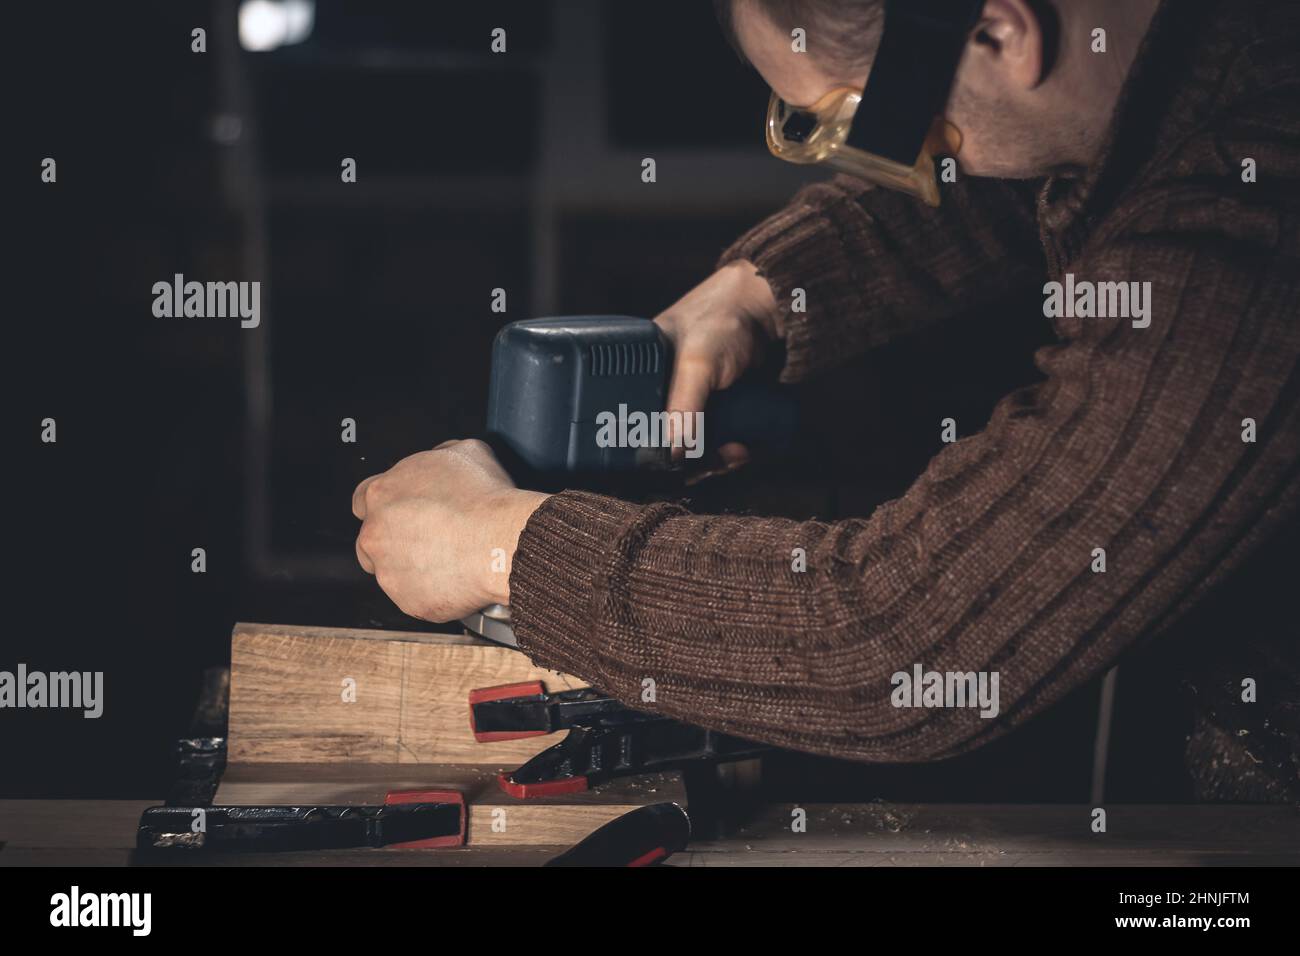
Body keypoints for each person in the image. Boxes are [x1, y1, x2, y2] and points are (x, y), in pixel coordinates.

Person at [352, 0, 1299, 800]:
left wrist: (502, 546)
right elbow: (1010, 173)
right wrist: (767, 289)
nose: (878, 152)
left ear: (1004, 33)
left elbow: (898, 643)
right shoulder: (1179, 66)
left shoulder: (1246, 230)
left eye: (853, 114)